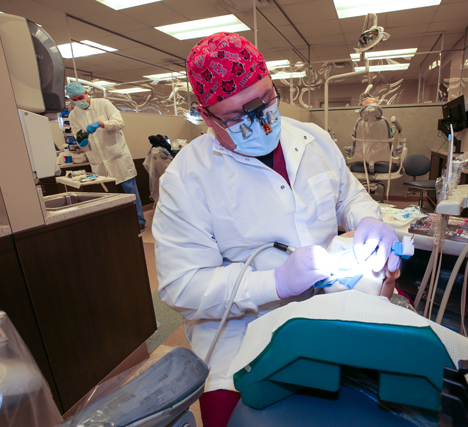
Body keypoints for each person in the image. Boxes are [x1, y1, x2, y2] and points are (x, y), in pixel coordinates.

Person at [152, 32, 401, 427]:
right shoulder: (187, 177)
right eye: (236, 116)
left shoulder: (314, 139)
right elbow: (182, 286)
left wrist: (368, 220)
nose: (259, 121)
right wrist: (277, 283)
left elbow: (349, 197)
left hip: (328, 306)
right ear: (206, 116)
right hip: (240, 336)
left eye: (266, 101)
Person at [65, 82, 146, 232]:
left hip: (117, 156)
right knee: (107, 195)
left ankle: (139, 220)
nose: (78, 101)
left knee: (130, 190)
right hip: (99, 160)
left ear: (87, 92)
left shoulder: (104, 103)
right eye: (74, 99)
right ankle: (116, 224)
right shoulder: (73, 115)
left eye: (81, 97)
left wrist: (101, 124)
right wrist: (81, 142)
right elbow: (80, 138)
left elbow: (119, 123)